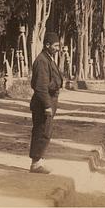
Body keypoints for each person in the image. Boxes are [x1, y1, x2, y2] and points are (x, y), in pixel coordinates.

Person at [28, 31, 63, 174]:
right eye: (55, 45)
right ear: (47, 45)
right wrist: (47, 105)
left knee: (45, 131)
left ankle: (39, 160)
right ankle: (36, 163)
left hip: (48, 101)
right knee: (41, 131)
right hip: (43, 103)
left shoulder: (48, 58)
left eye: (59, 45)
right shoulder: (42, 61)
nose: (58, 48)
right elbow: (41, 87)